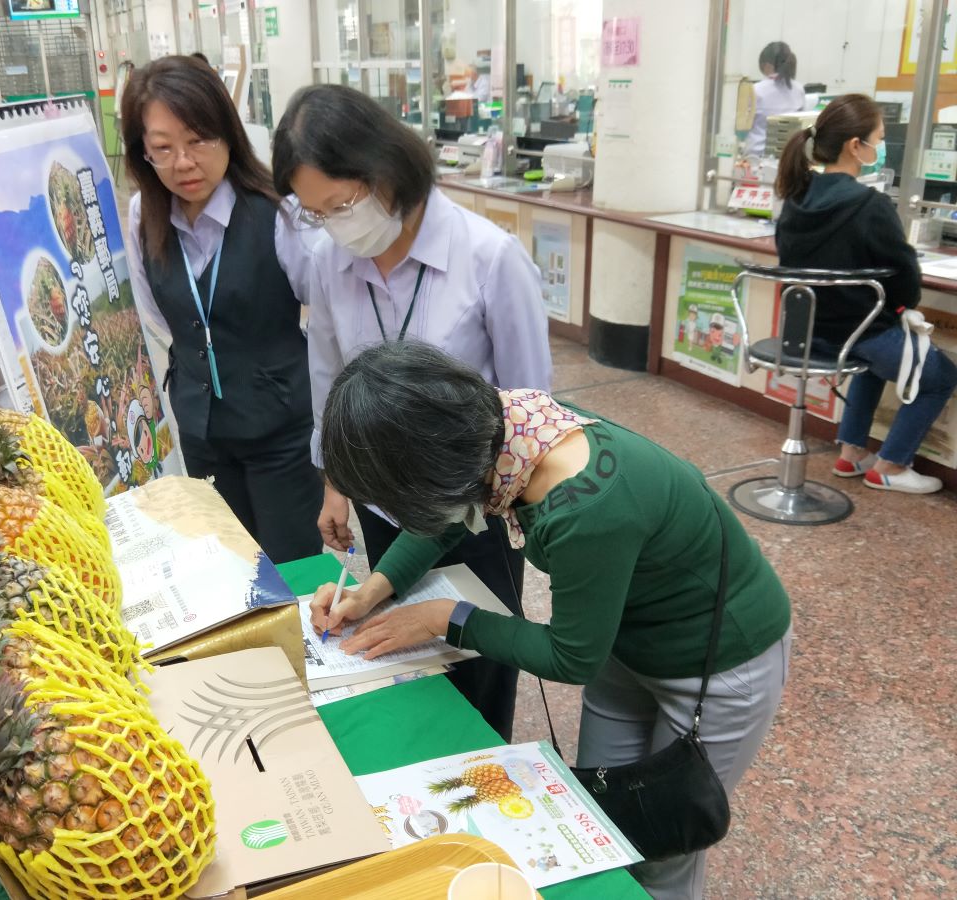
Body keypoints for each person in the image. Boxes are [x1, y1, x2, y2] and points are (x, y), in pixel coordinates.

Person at [311, 340, 793, 900]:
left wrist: (447, 618)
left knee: (664, 844)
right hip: (624, 644)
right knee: (603, 819)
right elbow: (450, 515)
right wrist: (374, 589)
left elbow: (572, 656)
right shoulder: (510, 426)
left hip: (720, 661)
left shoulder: (582, 508)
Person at [272, 83, 552, 740]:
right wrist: (335, 482)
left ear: (383, 170)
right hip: (375, 509)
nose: (337, 225)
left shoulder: (489, 260)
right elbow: (330, 373)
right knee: (387, 676)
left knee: (474, 686)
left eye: (341, 204)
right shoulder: (331, 261)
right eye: (317, 213)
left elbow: (532, 405)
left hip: (475, 518)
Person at [120, 56, 322, 564]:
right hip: (202, 431)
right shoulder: (143, 217)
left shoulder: (279, 212)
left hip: (282, 431)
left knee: (295, 569)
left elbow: (329, 319)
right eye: (163, 149)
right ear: (142, 151)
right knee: (231, 567)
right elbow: (159, 318)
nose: (184, 163)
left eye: (199, 141)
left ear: (228, 134)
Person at [775, 93, 957, 494]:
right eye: (879, 137)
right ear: (856, 146)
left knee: (871, 359)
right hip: (862, 334)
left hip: (810, 333)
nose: (881, 144)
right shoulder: (869, 204)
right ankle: (890, 465)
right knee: (941, 376)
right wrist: (902, 307)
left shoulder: (795, 198)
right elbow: (906, 274)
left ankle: (851, 454)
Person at [746, 42, 806, 159]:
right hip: (789, 157)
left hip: (757, 158)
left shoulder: (755, 90)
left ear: (767, 65)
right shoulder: (798, 89)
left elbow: (742, 125)